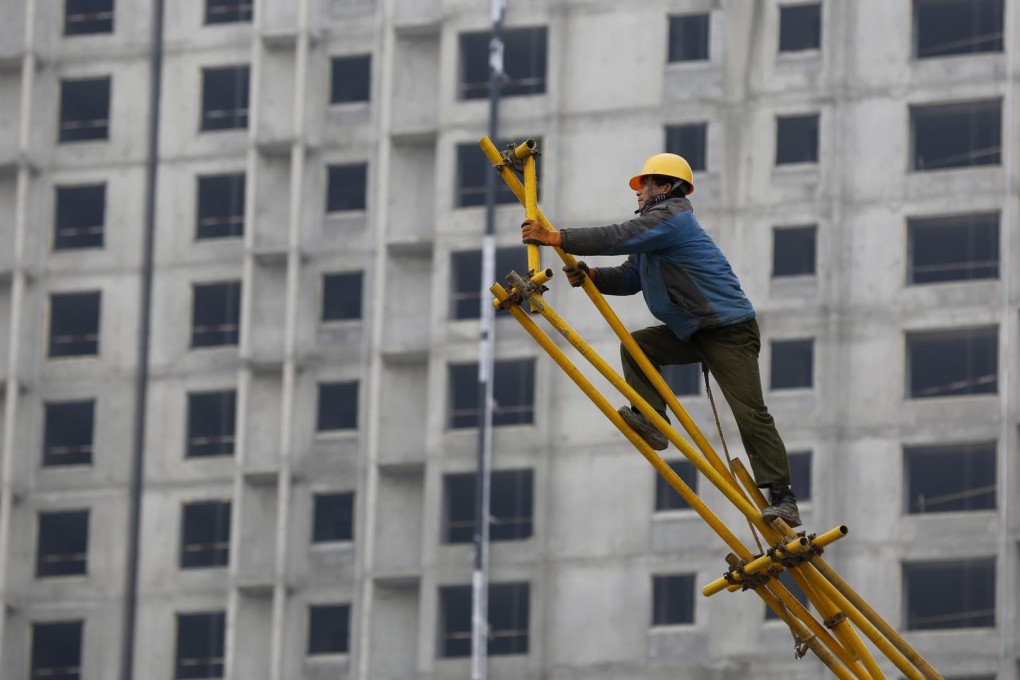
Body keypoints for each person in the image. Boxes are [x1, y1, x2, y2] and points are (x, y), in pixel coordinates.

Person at [520, 152, 801, 527]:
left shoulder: (673, 219)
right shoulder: (654, 235)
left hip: (728, 331)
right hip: (693, 330)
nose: (638, 193)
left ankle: (783, 497)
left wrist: (557, 238)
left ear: (665, 188)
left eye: (645, 185)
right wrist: (591, 276)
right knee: (638, 347)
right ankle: (652, 420)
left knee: (750, 412)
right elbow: (629, 278)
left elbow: (619, 236)